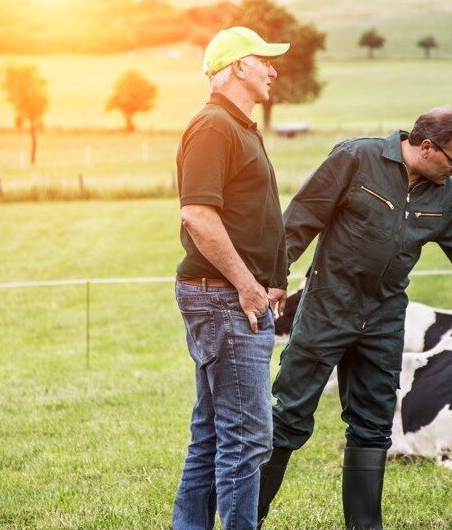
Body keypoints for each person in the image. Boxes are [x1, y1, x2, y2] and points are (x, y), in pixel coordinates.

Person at [257, 107, 452, 529]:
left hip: (384, 318)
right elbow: (300, 219)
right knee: (289, 415)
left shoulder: (446, 197)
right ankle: (246, 519)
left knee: (373, 425)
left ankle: (365, 526)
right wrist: (273, 278)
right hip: (328, 306)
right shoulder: (356, 158)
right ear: (427, 147)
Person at [171, 26, 292, 530]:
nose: (273, 70)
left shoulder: (238, 126)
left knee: (213, 433)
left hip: (233, 296)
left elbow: (249, 214)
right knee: (246, 437)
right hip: (226, 300)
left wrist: (271, 276)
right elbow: (198, 215)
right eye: (264, 60)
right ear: (238, 66)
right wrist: (247, 284)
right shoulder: (214, 126)